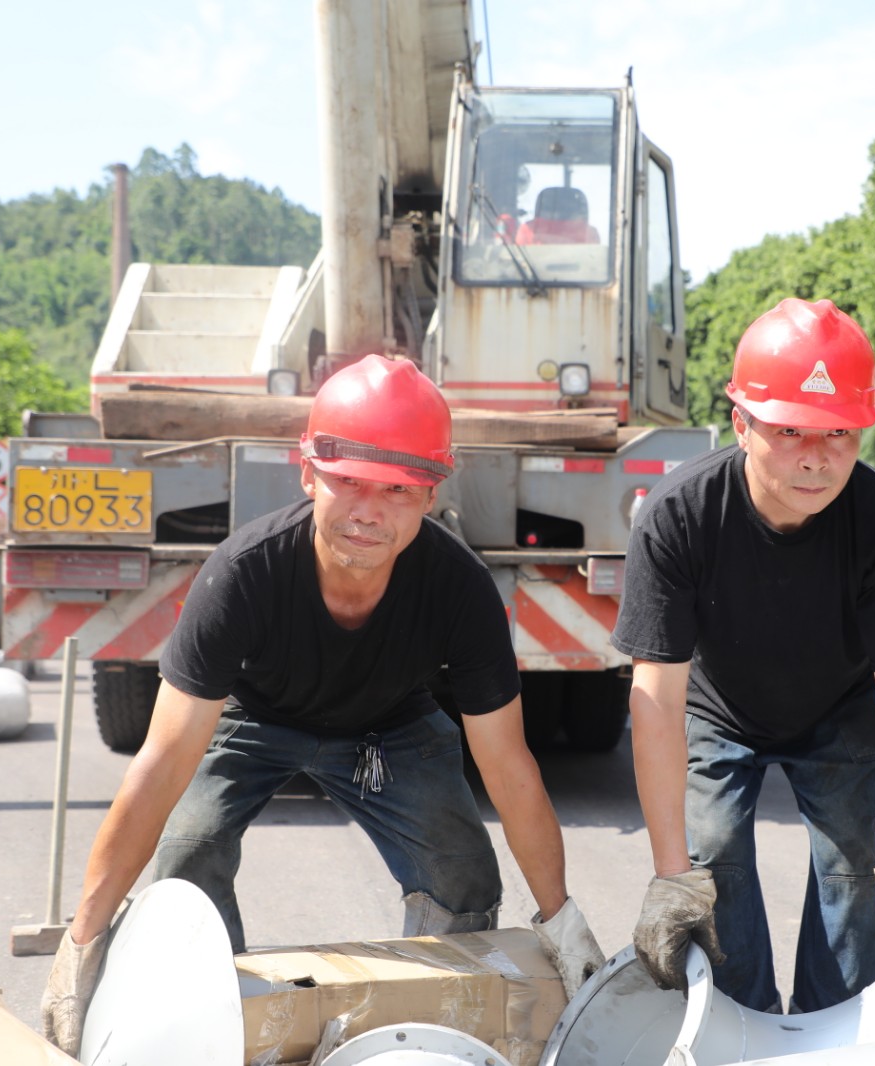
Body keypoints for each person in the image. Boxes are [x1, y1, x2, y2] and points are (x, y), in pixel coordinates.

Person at [42, 355, 605, 1052]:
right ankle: (211, 1025)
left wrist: (560, 921)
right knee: (188, 853)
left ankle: (440, 1033)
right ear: (307, 472)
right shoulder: (243, 575)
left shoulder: (459, 589)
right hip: (253, 719)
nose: (369, 511)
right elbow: (161, 763)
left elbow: (509, 766)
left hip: (388, 728)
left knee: (461, 874)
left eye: (398, 489)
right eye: (348, 481)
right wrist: (84, 941)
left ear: (432, 493)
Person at [612, 298, 875, 1015]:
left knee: (849, 866)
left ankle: (834, 1025)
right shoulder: (680, 516)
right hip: (718, 706)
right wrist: (671, 877)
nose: (816, 457)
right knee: (714, 854)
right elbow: (658, 701)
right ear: (741, 423)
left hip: (840, 705)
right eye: (790, 429)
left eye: (839, 433)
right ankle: (744, 1023)